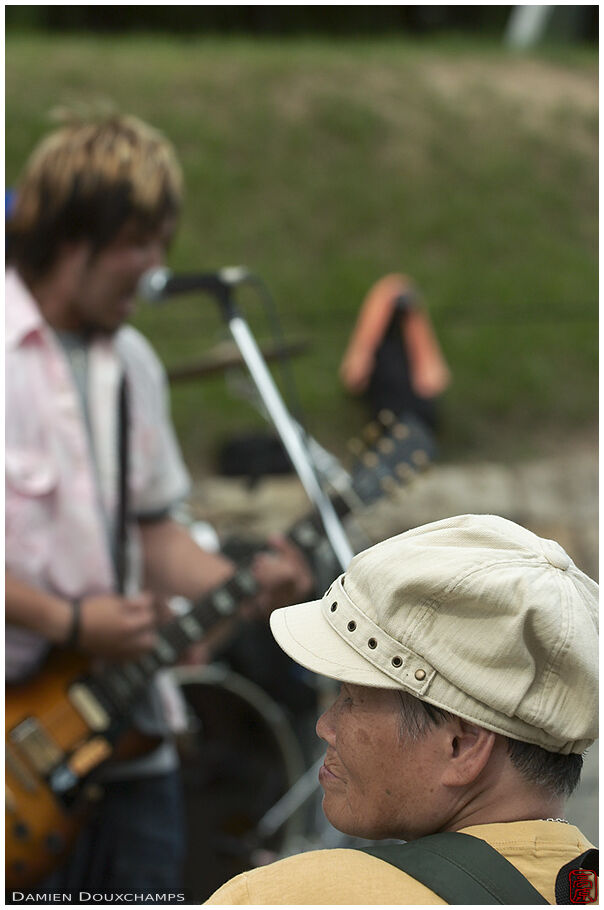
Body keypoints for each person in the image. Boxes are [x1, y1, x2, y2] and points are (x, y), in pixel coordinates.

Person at [5, 109, 312, 900]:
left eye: (162, 246)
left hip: (132, 740)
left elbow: (157, 536)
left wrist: (247, 591)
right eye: (137, 243)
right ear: (74, 237)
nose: (153, 270)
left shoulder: (134, 363)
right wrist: (67, 623)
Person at [206, 513, 598, 904]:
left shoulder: (280, 896)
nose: (325, 726)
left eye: (352, 699)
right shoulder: (585, 889)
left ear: (461, 745)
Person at [339, 272, 451, 431]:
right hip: (386, 409)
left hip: (412, 414)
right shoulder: (377, 348)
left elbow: (431, 379)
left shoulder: (410, 338)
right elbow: (356, 374)